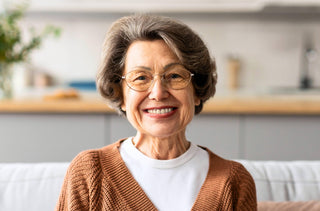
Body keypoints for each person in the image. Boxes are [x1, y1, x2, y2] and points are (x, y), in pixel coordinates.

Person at [55, 14, 257, 211]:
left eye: (175, 75)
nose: (158, 93)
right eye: (141, 77)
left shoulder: (234, 181)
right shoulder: (89, 173)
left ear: (197, 90)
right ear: (121, 94)